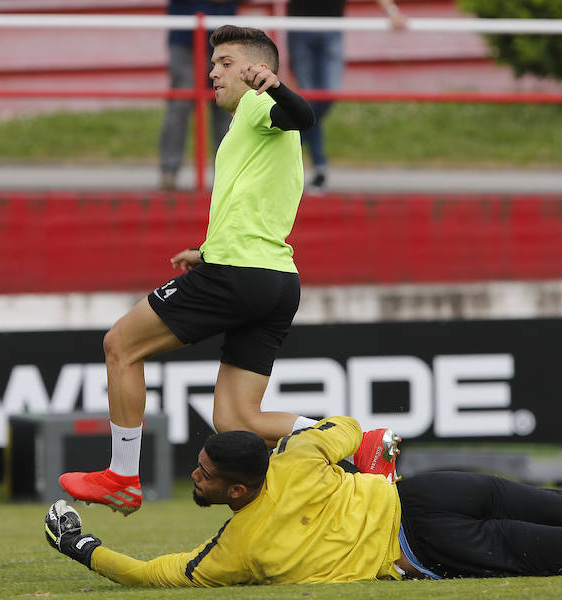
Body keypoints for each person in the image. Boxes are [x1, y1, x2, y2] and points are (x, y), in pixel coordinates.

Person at [59, 24, 394, 516]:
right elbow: (252, 203)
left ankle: (122, 477)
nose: (212, 73)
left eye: (225, 63)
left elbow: (303, 116)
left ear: (257, 70)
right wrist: (207, 249)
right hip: (274, 280)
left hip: (239, 274)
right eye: (212, 63)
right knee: (238, 420)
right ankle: (362, 443)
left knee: (120, 346)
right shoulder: (249, 124)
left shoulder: (261, 105)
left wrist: (275, 87)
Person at [45, 416, 562, 586]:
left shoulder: (241, 547)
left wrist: (82, 547)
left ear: (238, 490)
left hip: (424, 545)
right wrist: (332, 446)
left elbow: (154, 574)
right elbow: (348, 427)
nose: (194, 476)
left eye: (205, 474)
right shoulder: (296, 454)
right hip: (428, 489)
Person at [286, 0, 406, 192]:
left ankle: (289, 144)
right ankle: (319, 168)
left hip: (332, 27)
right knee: (308, 102)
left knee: (325, 96)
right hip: (300, 26)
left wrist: (392, 11)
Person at [159, 1, 241, 191]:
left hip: (224, 40)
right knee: (179, 106)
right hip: (186, 37)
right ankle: (169, 172)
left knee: (227, 108)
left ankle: (229, 175)